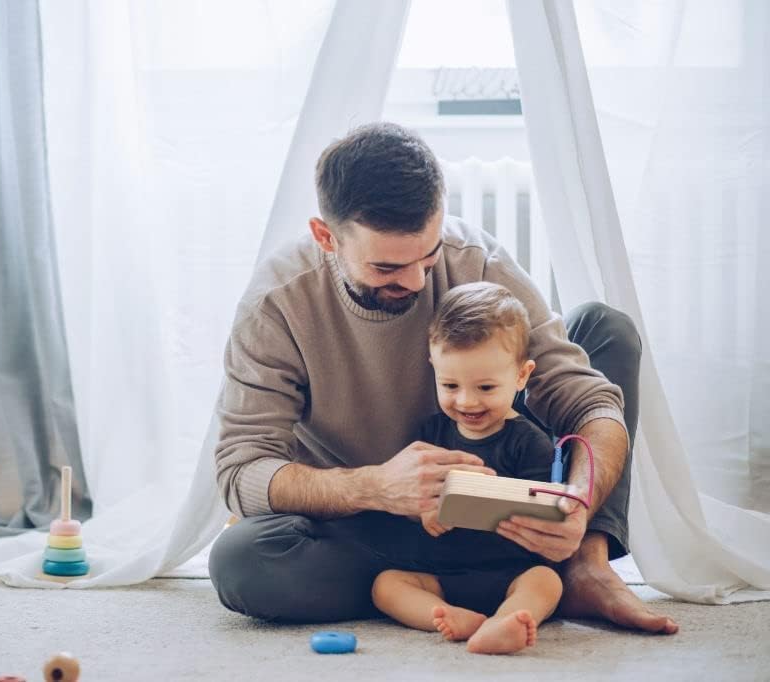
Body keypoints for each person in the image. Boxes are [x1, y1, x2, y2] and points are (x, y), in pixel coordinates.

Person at [209, 122, 678, 635]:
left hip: (506, 517)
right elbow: (241, 468)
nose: (416, 281)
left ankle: (583, 564)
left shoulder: (477, 261)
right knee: (242, 563)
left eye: (428, 257)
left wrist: (577, 504)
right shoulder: (277, 303)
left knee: (606, 330)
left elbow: (586, 401)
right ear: (326, 237)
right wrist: (375, 487)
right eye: (386, 268)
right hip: (376, 527)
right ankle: (475, 585)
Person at [372, 281, 563, 654]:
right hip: (441, 573)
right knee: (386, 585)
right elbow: (409, 495)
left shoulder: (529, 441)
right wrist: (425, 511)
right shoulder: (431, 434)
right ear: (434, 369)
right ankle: (449, 616)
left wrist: (491, 500)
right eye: (450, 385)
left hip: (510, 571)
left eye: (486, 388)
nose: (466, 401)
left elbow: (543, 511)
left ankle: (507, 619)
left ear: (521, 376)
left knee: (546, 582)